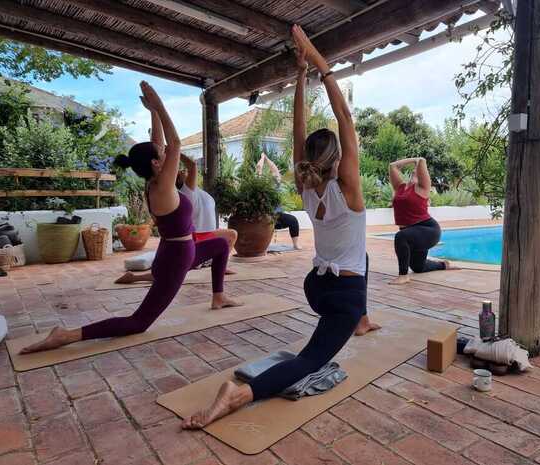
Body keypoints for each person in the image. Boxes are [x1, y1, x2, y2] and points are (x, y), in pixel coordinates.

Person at [183, 25, 379, 429]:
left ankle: (361, 320)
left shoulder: (305, 186)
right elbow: (344, 115)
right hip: (342, 295)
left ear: (309, 158)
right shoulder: (350, 190)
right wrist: (318, 60)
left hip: (316, 288)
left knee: (364, 256)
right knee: (310, 360)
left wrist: (302, 72)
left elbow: (298, 130)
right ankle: (239, 395)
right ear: (339, 158)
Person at [20, 82, 240, 355]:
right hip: (175, 260)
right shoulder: (162, 189)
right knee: (139, 322)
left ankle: (218, 296)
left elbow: (160, 145)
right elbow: (175, 145)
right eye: (160, 157)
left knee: (220, 245)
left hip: (180, 251)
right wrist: (159, 104)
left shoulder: (154, 181)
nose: (164, 157)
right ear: (155, 164)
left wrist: (153, 113)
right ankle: (66, 335)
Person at [115, 153, 237, 284]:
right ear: (179, 180)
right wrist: (173, 152)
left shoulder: (195, 191)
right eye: (180, 172)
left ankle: (220, 266)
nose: (183, 171)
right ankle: (135, 277)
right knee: (173, 272)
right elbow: (192, 166)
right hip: (196, 236)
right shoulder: (186, 192)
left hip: (204, 233)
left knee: (231, 235)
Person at [388, 156, 457, 285]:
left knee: (400, 237)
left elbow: (422, 161)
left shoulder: (422, 188)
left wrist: (417, 160)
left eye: (418, 170)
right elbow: (392, 166)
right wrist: (412, 160)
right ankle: (443, 265)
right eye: (414, 170)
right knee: (418, 267)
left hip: (428, 230)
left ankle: (403, 276)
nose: (415, 170)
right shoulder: (400, 187)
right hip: (412, 233)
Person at [256, 152, 302, 250]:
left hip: (278, 217)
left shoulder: (276, 186)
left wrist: (266, 158)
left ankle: (295, 244)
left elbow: (275, 169)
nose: (277, 177)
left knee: (293, 220)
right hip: (265, 217)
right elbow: (258, 169)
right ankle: (262, 245)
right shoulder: (260, 187)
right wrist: (262, 159)